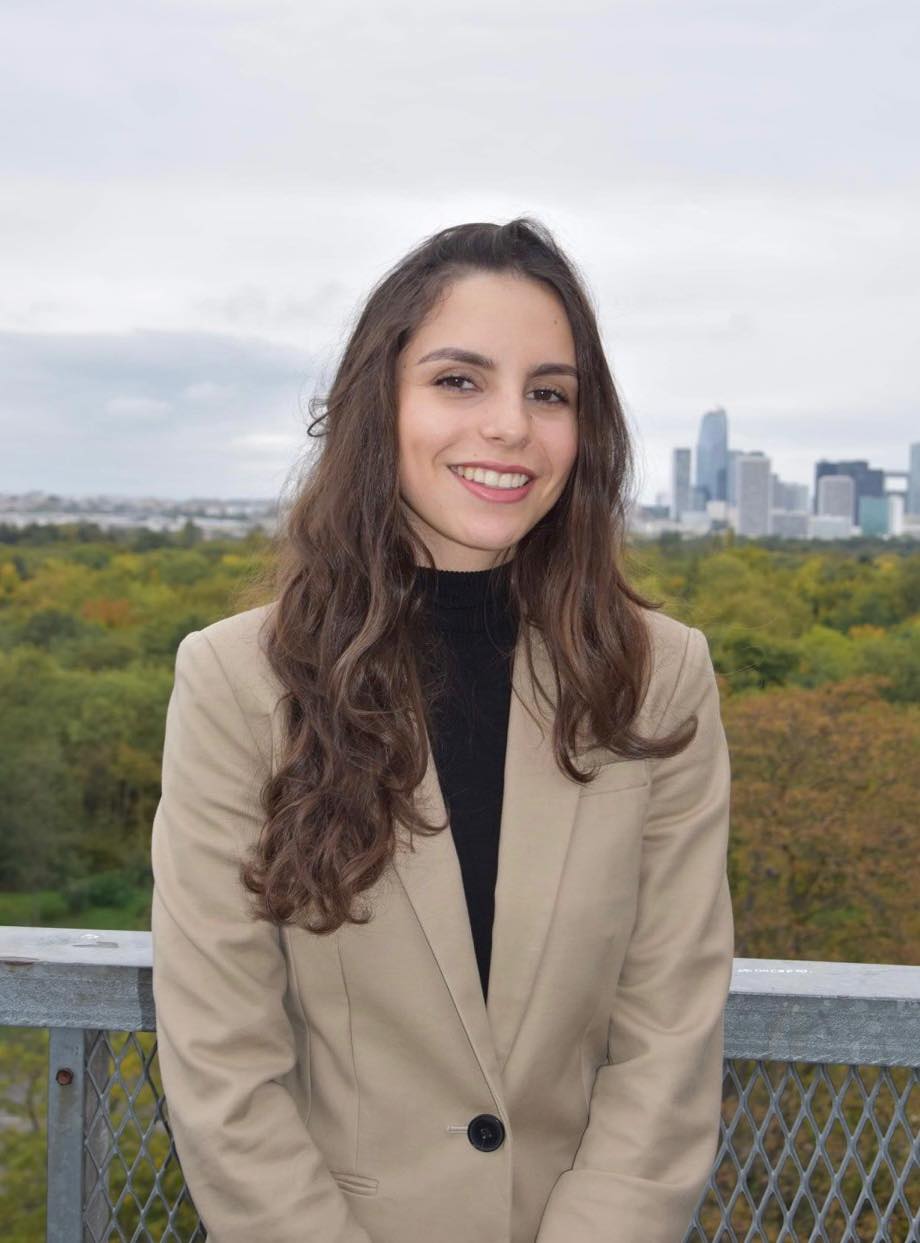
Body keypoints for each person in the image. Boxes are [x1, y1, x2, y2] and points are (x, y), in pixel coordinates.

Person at [150, 217, 734, 1243]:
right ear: (378, 403)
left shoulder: (659, 678)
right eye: (459, 380)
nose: (509, 425)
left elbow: (668, 1038)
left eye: (548, 393)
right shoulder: (238, 681)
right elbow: (222, 1062)